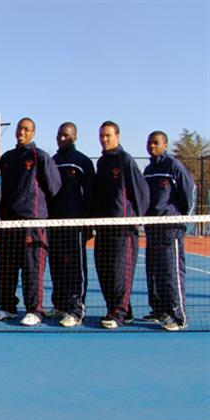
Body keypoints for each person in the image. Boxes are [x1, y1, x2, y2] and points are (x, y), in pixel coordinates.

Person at [0, 118, 62, 326]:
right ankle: (7, 307)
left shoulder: (40, 156)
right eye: (19, 129)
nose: (21, 132)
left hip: (32, 223)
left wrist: (35, 207)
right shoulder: (6, 158)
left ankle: (35, 310)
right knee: (5, 267)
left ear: (33, 133)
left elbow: (54, 187)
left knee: (32, 269)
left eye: (26, 129)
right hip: (7, 223)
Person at [93, 121, 149, 329]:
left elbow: (141, 191)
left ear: (117, 136)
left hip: (124, 229)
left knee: (120, 272)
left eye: (108, 135)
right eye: (101, 136)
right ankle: (121, 310)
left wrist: (136, 220)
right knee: (105, 271)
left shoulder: (125, 160)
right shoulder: (102, 162)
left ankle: (119, 313)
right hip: (104, 227)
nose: (104, 139)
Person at [143, 131, 195, 331]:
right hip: (152, 227)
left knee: (171, 272)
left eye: (156, 143)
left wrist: (183, 221)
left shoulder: (174, 166)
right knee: (154, 271)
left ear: (164, 144)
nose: (152, 146)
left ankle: (178, 315)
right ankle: (160, 310)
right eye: (149, 143)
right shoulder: (148, 170)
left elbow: (189, 192)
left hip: (171, 228)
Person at [47, 122, 95, 327]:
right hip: (54, 224)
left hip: (75, 225)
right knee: (56, 265)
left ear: (74, 137)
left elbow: (91, 194)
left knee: (75, 267)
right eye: (59, 135)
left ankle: (75, 310)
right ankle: (60, 304)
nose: (61, 138)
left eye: (66, 135)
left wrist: (88, 224)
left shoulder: (82, 161)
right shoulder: (52, 161)